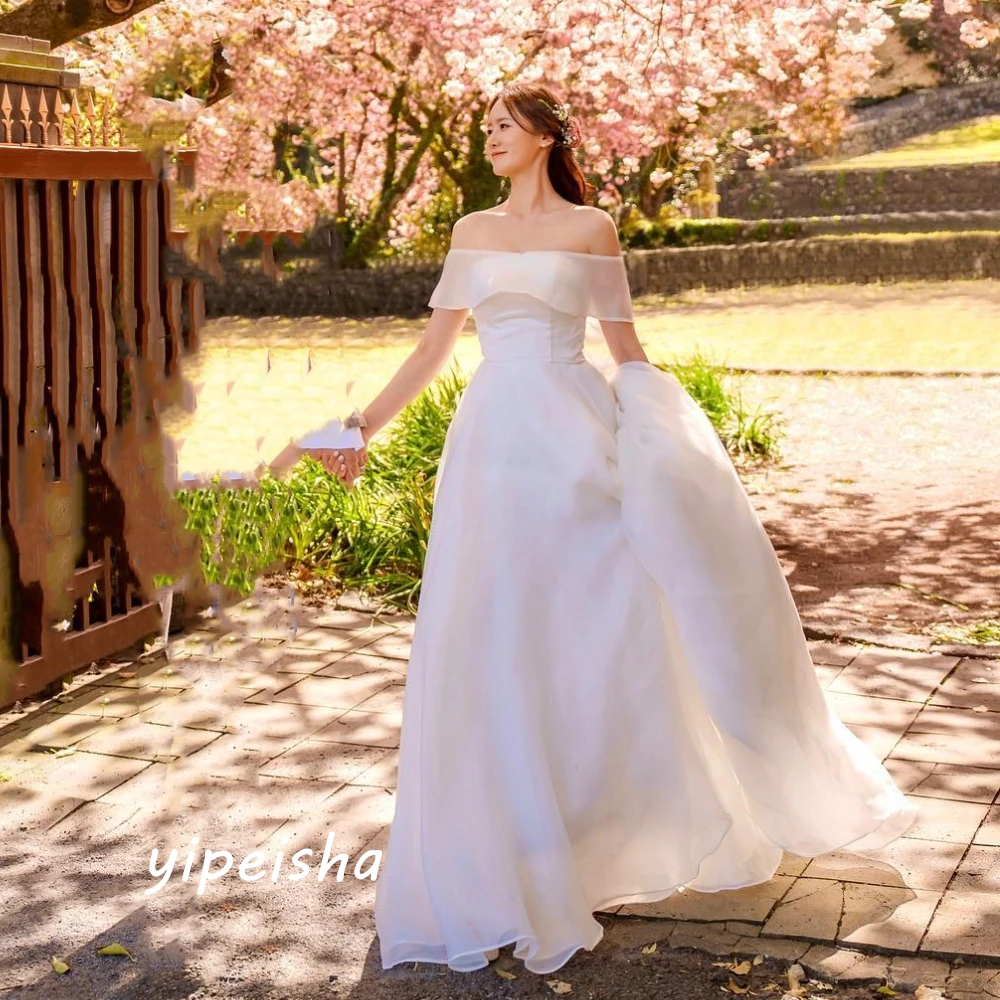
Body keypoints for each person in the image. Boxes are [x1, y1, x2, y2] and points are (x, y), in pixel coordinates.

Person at [317, 82, 919, 976]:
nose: (488, 138)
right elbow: (433, 349)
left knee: (605, 621)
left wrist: (675, 452)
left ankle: (602, 830)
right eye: (484, 126)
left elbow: (625, 350)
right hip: (491, 445)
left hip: (573, 432)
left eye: (503, 127)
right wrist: (359, 427)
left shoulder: (592, 228)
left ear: (546, 136)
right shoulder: (471, 233)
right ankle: (519, 837)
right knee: (494, 628)